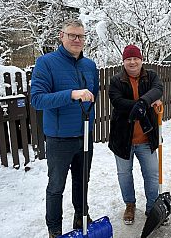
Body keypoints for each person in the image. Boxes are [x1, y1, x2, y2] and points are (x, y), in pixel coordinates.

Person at [30, 19, 99, 238]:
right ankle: (54, 229)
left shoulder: (90, 65)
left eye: (81, 36)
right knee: (56, 186)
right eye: (72, 35)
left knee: (82, 181)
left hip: (85, 135)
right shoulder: (46, 63)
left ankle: (81, 217)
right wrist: (71, 94)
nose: (77, 40)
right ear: (62, 36)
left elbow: (93, 96)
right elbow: (38, 100)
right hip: (60, 139)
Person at [108, 45, 163, 225]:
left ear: (141, 60)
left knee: (152, 175)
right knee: (124, 174)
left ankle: (152, 208)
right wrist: (144, 104)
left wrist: (143, 102)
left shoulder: (151, 76)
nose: (132, 62)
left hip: (147, 139)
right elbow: (118, 102)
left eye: (135, 58)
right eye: (128, 59)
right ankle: (130, 205)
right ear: (123, 62)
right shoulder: (116, 80)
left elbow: (157, 89)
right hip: (123, 140)